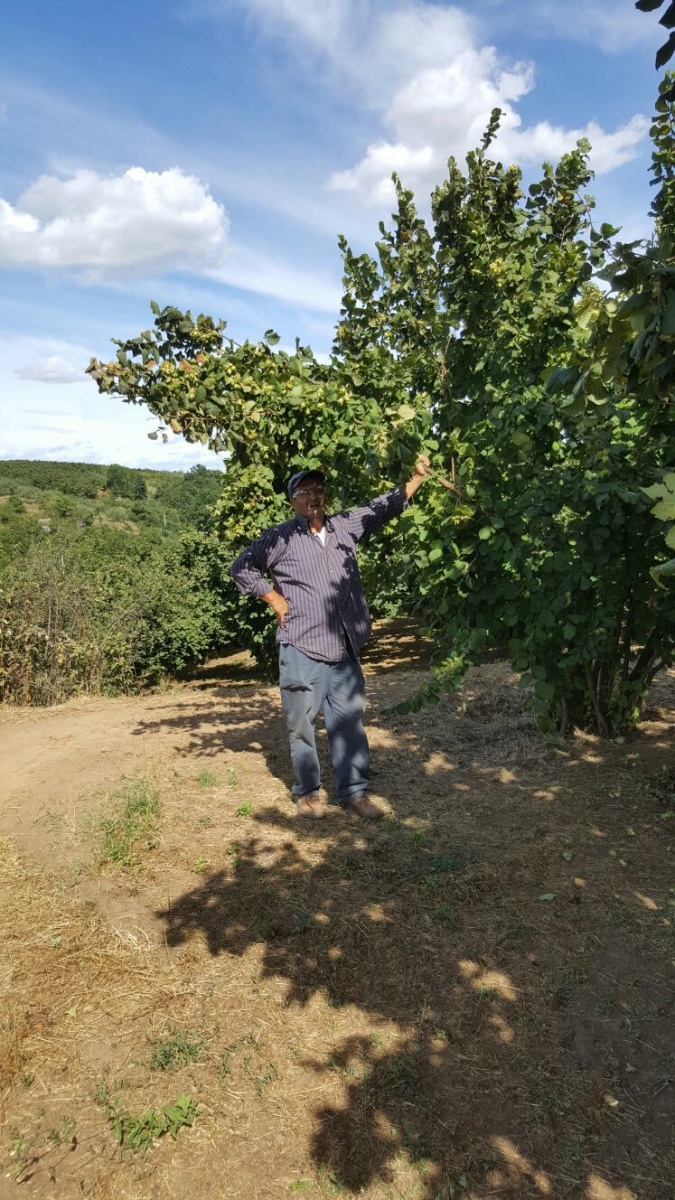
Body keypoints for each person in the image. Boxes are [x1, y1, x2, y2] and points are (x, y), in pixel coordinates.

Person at [230, 457, 431, 819]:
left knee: (349, 722)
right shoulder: (281, 536)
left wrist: (416, 478)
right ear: (292, 501)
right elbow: (241, 567)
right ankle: (308, 794)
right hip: (302, 645)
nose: (314, 496)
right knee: (302, 725)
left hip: (344, 645)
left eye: (318, 489)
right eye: (304, 491)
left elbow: (382, 507)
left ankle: (355, 793)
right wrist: (274, 599)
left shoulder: (344, 527)